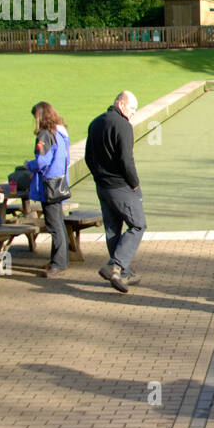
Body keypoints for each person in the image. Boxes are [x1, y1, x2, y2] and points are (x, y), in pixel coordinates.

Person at [85, 91, 146, 293]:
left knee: (113, 229)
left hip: (102, 186)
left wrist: (98, 176)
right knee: (137, 225)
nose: (133, 113)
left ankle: (122, 273)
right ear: (121, 104)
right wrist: (134, 184)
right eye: (131, 108)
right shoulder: (123, 126)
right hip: (120, 186)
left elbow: (88, 157)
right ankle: (116, 265)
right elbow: (126, 160)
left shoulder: (95, 123)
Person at [26, 101, 71, 278]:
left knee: (54, 225)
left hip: (49, 185)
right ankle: (60, 259)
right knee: (59, 222)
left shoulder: (45, 135)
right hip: (60, 182)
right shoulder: (60, 133)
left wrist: (28, 165)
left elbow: (41, 162)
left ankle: (58, 263)